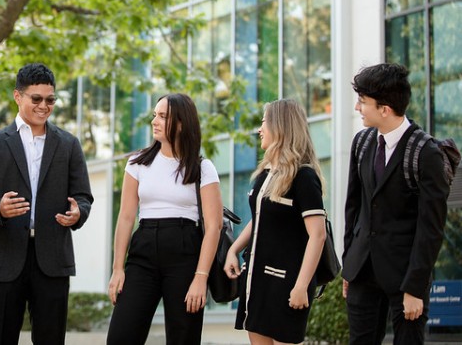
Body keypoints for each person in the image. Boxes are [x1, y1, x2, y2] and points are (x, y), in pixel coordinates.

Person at [0, 63, 94, 345]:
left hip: (53, 260)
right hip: (7, 257)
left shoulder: (69, 144)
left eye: (50, 99)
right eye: (36, 99)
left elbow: (84, 197)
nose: (44, 106)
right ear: (18, 96)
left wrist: (78, 213)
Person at [342, 63, 449, 344]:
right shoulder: (361, 143)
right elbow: (353, 208)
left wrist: (415, 288)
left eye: (362, 102)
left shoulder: (426, 153)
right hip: (362, 271)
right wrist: (349, 264)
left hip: (405, 278)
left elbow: (432, 228)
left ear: (385, 109)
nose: (357, 108)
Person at [106, 93, 223, 345]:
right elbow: (126, 218)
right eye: (154, 115)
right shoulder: (137, 163)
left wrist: (200, 277)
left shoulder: (203, 168)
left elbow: (214, 226)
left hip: (185, 253)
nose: (155, 121)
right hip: (143, 250)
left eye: (163, 116)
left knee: (184, 338)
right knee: (120, 337)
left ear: (180, 123)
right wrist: (117, 269)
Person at [224, 99, 327, 345]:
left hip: (287, 284)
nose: (260, 129)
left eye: (264, 123)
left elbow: (318, 235)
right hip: (256, 281)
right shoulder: (265, 176)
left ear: (281, 127)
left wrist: (301, 286)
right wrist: (233, 249)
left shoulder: (304, 177)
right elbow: (259, 219)